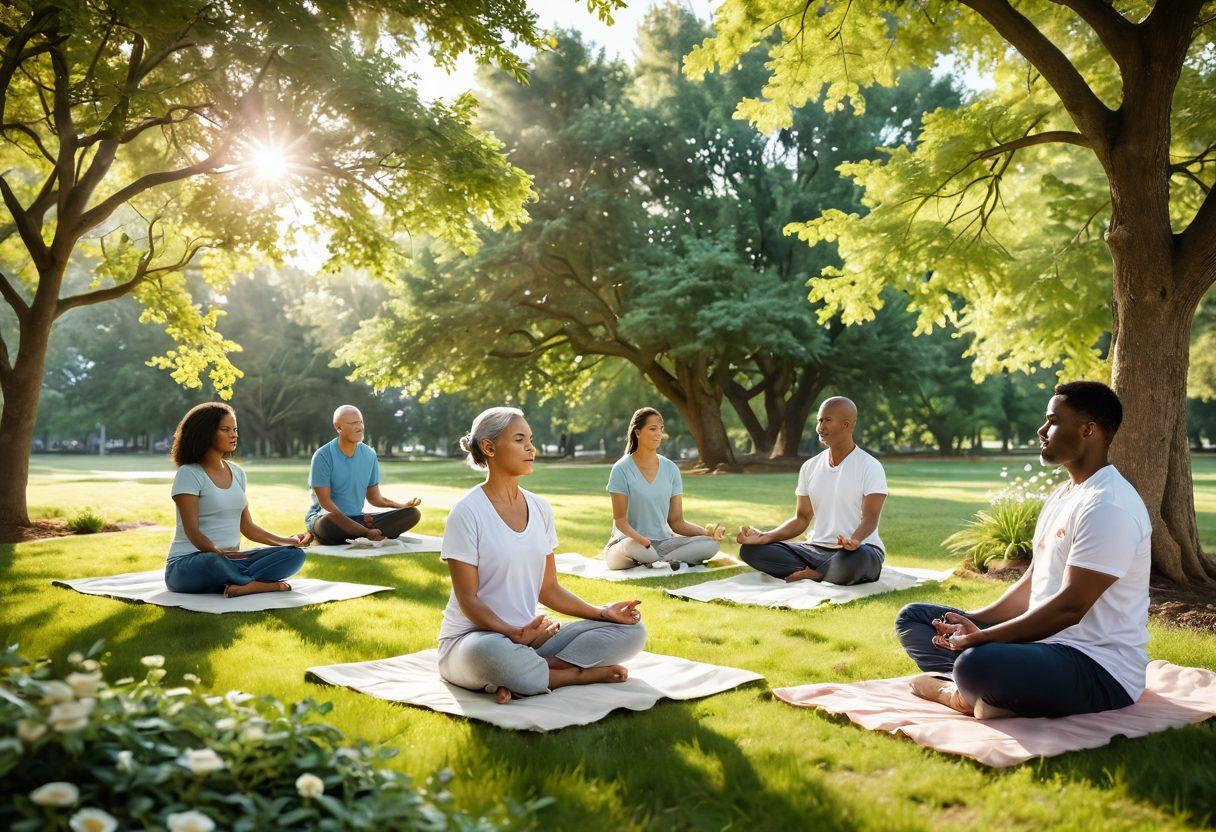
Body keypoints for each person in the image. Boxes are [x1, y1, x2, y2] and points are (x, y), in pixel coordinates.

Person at [896, 381, 1150, 719]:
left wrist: (981, 639)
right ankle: (995, 696)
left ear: (1088, 430)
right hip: (1038, 650)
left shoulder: (1109, 506)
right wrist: (972, 622)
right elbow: (1033, 583)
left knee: (977, 662)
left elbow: (1069, 609)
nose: (1041, 430)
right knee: (915, 618)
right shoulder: (1065, 494)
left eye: (1053, 421)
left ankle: (955, 693)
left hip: (1097, 668)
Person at [438, 407, 647, 704]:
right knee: (489, 654)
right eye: (520, 440)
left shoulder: (539, 508)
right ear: (489, 447)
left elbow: (548, 588)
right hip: (474, 641)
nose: (531, 448)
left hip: (532, 641)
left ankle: (524, 676)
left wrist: (603, 612)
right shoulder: (467, 512)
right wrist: (511, 633)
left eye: (531, 440)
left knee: (633, 631)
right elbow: (468, 599)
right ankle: (573, 675)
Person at [736, 397, 887, 585]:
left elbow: (870, 518)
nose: (820, 427)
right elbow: (801, 519)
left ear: (846, 425)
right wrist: (764, 537)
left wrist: (855, 540)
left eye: (827, 420)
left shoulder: (870, 466)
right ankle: (820, 573)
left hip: (860, 549)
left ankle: (818, 574)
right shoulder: (810, 466)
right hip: (816, 549)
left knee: (859, 560)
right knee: (751, 551)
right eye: (819, 421)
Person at [166, 403, 310, 597]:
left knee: (293, 555)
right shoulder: (189, 473)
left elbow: (248, 527)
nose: (233, 435)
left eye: (234, 429)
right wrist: (221, 555)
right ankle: (263, 585)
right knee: (212, 562)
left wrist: (288, 541)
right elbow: (193, 532)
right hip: (189, 563)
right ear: (205, 433)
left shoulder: (238, 473)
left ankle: (238, 581)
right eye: (225, 430)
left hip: (233, 561)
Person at [602, 407, 724, 571]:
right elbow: (620, 522)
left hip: (663, 544)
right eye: (652, 429)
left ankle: (659, 560)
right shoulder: (621, 469)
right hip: (627, 543)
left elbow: (677, 522)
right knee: (638, 548)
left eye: (661, 429)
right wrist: (643, 540)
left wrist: (707, 533)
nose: (658, 434)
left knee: (711, 545)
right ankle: (665, 560)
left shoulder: (671, 469)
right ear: (637, 432)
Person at [306, 405, 422, 545]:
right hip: (326, 518)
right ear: (338, 427)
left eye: (360, 422)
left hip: (357, 519)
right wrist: (364, 531)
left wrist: (402, 506)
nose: (359, 427)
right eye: (353, 423)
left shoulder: (369, 454)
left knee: (411, 514)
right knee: (328, 522)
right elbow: (326, 504)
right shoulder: (322, 456)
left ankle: (356, 533)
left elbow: (375, 498)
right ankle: (364, 533)